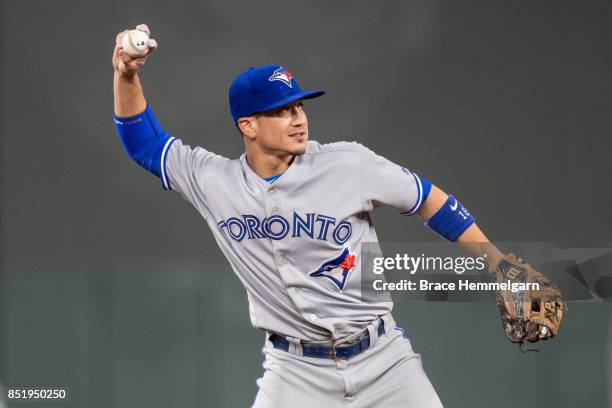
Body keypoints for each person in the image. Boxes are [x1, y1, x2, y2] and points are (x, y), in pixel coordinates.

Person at [112, 25, 557, 408]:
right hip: (294, 371)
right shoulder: (215, 181)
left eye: (299, 106)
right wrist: (125, 74)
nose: (298, 119)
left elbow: (428, 199)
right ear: (247, 125)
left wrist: (496, 262)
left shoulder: (348, 164)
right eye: (281, 111)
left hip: (384, 362)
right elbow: (144, 144)